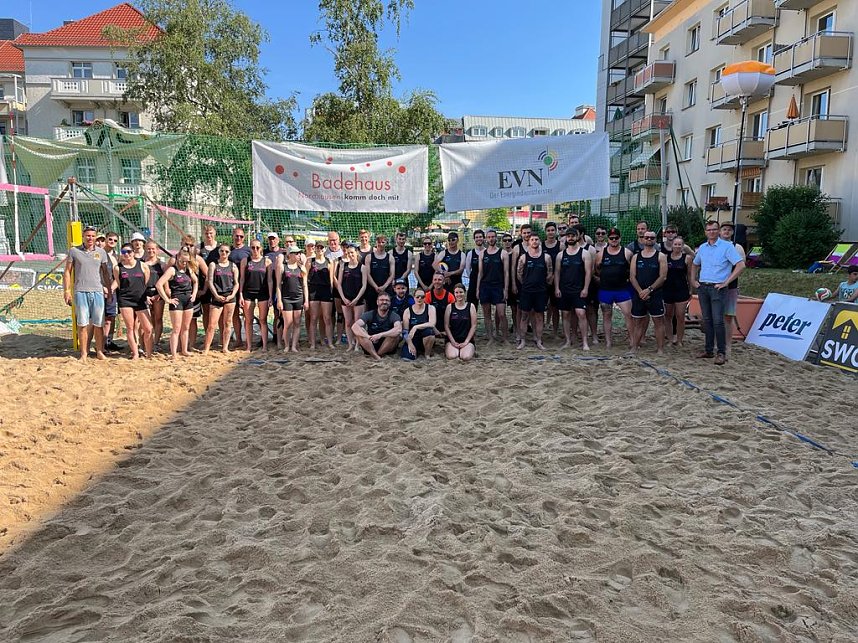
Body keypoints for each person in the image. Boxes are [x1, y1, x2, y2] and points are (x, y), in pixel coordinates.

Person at [691, 220, 746, 365]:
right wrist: (693, 280)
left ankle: (721, 352)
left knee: (718, 321)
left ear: (718, 231)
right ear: (706, 232)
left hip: (718, 287)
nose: (711, 232)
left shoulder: (727, 247)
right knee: (707, 320)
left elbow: (740, 265)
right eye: (709, 230)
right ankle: (709, 350)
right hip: (703, 286)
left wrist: (727, 282)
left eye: (714, 230)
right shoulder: (703, 247)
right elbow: (695, 264)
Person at [63, 225, 111, 361]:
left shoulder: (101, 253)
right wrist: (67, 291)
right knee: (82, 324)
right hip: (81, 291)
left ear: (96, 237)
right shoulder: (74, 251)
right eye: (88, 236)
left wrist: (109, 290)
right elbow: (67, 272)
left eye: (92, 236)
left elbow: (106, 273)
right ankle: (84, 353)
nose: (90, 238)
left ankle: (99, 351)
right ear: (83, 237)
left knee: (98, 324)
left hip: (97, 291)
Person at [629, 230, 668, 355]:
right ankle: (634, 347)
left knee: (658, 322)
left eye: (652, 237)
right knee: (638, 322)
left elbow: (663, 277)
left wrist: (649, 289)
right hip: (639, 294)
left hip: (655, 294)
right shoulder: (636, 257)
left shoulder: (660, 256)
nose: (649, 239)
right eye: (647, 237)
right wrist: (641, 291)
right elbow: (632, 277)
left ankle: (660, 349)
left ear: (655, 239)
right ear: (643, 239)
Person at [595, 228, 635, 350]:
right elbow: (596, 269)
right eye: (611, 238)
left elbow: (632, 270)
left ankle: (632, 341)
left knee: (628, 314)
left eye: (616, 238)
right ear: (608, 239)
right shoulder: (601, 253)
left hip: (622, 289)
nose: (613, 240)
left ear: (620, 238)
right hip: (605, 289)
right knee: (606, 315)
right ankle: (608, 342)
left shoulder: (627, 253)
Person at [113, 242, 153, 359]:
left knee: (148, 328)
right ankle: (135, 353)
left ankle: (149, 353)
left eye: (129, 252)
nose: (127, 254)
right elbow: (119, 284)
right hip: (125, 300)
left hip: (140, 299)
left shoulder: (142, 265)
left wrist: (143, 294)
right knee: (130, 328)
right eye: (124, 252)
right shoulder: (118, 268)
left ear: (133, 253)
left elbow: (146, 281)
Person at [156, 248, 198, 359]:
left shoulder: (189, 269)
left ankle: (184, 350)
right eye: (182, 261)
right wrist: (167, 299)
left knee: (186, 327)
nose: (184, 263)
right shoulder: (172, 270)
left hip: (188, 301)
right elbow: (159, 284)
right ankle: (173, 353)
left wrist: (194, 294)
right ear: (178, 258)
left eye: (187, 261)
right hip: (177, 301)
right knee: (176, 328)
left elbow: (196, 281)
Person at [555, 227, 593, 350]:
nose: (570, 238)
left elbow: (588, 273)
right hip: (564, 289)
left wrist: (586, 288)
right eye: (568, 236)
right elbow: (557, 273)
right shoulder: (561, 255)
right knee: (565, 315)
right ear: (566, 237)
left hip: (579, 290)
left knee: (581, 314)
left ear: (578, 237)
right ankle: (568, 340)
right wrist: (557, 288)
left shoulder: (584, 253)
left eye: (573, 235)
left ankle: (585, 342)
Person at [516, 233, 553, 350]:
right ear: (529, 242)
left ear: (539, 241)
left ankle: (539, 340)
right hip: (527, 291)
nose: (534, 241)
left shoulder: (546, 257)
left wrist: (542, 284)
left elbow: (550, 273)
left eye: (536, 239)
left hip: (541, 291)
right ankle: (522, 340)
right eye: (532, 239)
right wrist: (527, 283)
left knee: (539, 317)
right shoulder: (523, 257)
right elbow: (519, 274)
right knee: (524, 316)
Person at [203, 244, 240, 354]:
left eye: (226, 251)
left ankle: (225, 347)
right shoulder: (213, 265)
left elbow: (236, 283)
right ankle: (206, 348)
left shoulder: (233, 266)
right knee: (212, 325)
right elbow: (210, 282)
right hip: (217, 296)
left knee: (227, 323)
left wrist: (232, 295)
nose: (224, 253)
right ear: (218, 252)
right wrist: (216, 295)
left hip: (229, 297)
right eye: (222, 251)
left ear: (229, 253)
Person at [476, 229, 509, 344]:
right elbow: (480, 273)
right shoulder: (482, 254)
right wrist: (478, 288)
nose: (491, 239)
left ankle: (505, 338)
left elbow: (506, 273)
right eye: (489, 237)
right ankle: (490, 337)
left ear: (496, 238)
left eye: (493, 237)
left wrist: (506, 289)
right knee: (486, 314)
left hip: (498, 286)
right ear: (486, 239)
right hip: (485, 286)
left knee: (501, 314)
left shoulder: (503, 253)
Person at [239, 239, 272, 352]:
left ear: (261, 248)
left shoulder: (267, 261)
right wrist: (241, 295)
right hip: (248, 292)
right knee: (248, 320)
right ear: (250, 248)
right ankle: (248, 346)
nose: (255, 250)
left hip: (263, 292)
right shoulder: (245, 261)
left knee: (263, 320)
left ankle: (264, 346)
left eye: (257, 247)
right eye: (253, 247)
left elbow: (269, 281)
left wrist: (271, 296)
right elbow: (242, 279)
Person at [719, 222, 746, 358]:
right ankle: (715, 344)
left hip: (730, 286)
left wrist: (728, 280)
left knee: (728, 317)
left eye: (729, 230)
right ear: (720, 231)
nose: (726, 231)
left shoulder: (737, 247)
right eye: (724, 229)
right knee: (714, 317)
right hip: (715, 286)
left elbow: (741, 266)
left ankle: (728, 345)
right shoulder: (713, 245)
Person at [276, 246, 309, 353]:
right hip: (286, 298)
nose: (299, 255)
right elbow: (278, 285)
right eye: (296, 253)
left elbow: (304, 286)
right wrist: (279, 300)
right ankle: (287, 345)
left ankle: (294, 346)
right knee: (288, 323)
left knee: (297, 323)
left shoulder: (302, 268)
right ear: (290, 254)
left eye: (299, 253)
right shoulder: (283, 267)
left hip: (298, 298)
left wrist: (306, 300)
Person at [335, 244, 368, 351]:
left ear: (356, 253)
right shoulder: (343, 266)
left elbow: (364, 286)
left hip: (358, 299)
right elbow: (339, 284)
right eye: (348, 253)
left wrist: (357, 299)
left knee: (357, 323)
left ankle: (358, 344)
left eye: (352, 252)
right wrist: (343, 298)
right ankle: (350, 344)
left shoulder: (362, 267)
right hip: (346, 299)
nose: (350, 255)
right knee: (348, 322)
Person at [351, 291, 402, 360]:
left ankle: (378, 355)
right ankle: (376, 356)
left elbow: (398, 329)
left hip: (387, 345)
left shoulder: (394, 315)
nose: (384, 302)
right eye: (382, 300)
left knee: (396, 334)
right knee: (361, 331)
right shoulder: (369, 314)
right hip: (370, 344)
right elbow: (354, 326)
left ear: (390, 303)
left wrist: (380, 335)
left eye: (387, 300)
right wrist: (368, 337)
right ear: (377, 302)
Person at [663, 235, 692, 346]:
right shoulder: (665, 257)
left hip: (681, 290)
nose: (677, 246)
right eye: (675, 244)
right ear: (672, 245)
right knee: (668, 316)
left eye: (679, 244)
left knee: (680, 316)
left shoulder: (687, 258)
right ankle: (670, 339)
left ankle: (679, 340)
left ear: (683, 246)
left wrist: (690, 290)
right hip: (668, 289)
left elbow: (689, 275)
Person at [307, 241, 335, 350]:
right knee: (313, 318)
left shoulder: (329, 262)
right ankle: (313, 344)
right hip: (313, 290)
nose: (319, 249)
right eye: (318, 247)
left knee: (327, 318)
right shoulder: (310, 261)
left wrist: (331, 292)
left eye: (321, 247)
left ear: (325, 249)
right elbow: (305, 278)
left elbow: (331, 279)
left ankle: (330, 343)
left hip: (325, 290)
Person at [229, 227, 251, 347]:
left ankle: (248, 340)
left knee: (247, 314)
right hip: (231, 286)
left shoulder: (249, 250)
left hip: (246, 285)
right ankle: (238, 339)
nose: (238, 238)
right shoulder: (228, 250)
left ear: (244, 237)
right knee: (234, 314)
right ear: (233, 236)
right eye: (236, 236)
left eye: (241, 236)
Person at [401, 287, 437, 360]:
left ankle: (427, 354)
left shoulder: (430, 308)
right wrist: (410, 344)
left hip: (426, 337)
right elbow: (405, 331)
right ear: (414, 297)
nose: (419, 299)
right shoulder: (407, 311)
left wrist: (415, 327)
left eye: (422, 297)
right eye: (417, 297)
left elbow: (432, 323)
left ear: (425, 298)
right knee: (407, 358)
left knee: (430, 332)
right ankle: (415, 349)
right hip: (413, 338)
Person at [445, 283, 477, 361]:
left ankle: (469, 349)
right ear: (454, 294)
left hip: (466, 339)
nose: (459, 294)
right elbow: (446, 326)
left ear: (465, 292)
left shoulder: (471, 306)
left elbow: (474, 325)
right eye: (456, 292)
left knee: (465, 357)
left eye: (461, 292)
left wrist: (466, 342)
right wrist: (452, 341)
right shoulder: (449, 307)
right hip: (453, 339)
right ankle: (452, 348)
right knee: (452, 356)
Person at [143, 240, 166, 349]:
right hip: (145, 294)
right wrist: (145, 296)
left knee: (158, 318)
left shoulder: (162, 264)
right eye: (148, 248)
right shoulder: (142, 264)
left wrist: (160, 295)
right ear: (145, 249)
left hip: (158, 294)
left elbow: (165, 281)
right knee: (147, 320)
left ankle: (156, 342)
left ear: (157, 250)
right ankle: (148, 341)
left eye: (153, 249)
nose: (151, 251)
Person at [365, 234, 395, 311]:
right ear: (376, 243)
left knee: (386, 311)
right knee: (372, 312)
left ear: (386, 243)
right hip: (372, 290)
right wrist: (375, 286)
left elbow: (392, 275)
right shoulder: (369, 257)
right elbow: (367, 274)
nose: (381, 244)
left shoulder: (390, 258)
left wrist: (384, 286)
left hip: (386, 289)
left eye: (383, 242)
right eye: (379, 242)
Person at [543, 222, 562, 337]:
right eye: (548, 230)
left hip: (555, 281)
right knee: (541, 306)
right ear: (545, 232)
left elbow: (562, 265)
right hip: (543, 281)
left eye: (552, 230)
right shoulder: (540, 245)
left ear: (556, 231)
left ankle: (555, 332)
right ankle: (541, 328)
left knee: (555, 307)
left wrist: (555, 277)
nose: (550, 232)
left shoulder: (560, 245)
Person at [102, 231, 120, 351]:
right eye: (110, 239)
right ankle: (101, 343)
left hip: (112, 291)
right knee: (98, 318)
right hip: (99, 289)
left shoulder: (117, 257)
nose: (112, 242)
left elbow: (118, 276)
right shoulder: (99, 253)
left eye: (115, 240)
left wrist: (111, 288)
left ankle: (108, 341)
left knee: (111, 317)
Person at [425, 272, 455, 337]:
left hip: (446, 325)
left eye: (439, 280)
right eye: (435, 279)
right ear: (432, 281)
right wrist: (435, 330)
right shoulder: (428, 296)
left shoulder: (450, 296)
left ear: (444, 282)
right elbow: (425, 316)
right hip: (432, 326)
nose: (437, 282)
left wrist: (447, 330)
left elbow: (453, 315)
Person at [464, 229, 485, 308]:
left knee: (486, 306)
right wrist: (472, 278)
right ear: (474, 239)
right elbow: (468, 268)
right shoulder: (470, 253)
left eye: (480, 237)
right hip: (473, 282)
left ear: (484, 238)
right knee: (472, 305)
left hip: (485, 282)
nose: (478, 239)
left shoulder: (487, 252)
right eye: (476, 237)